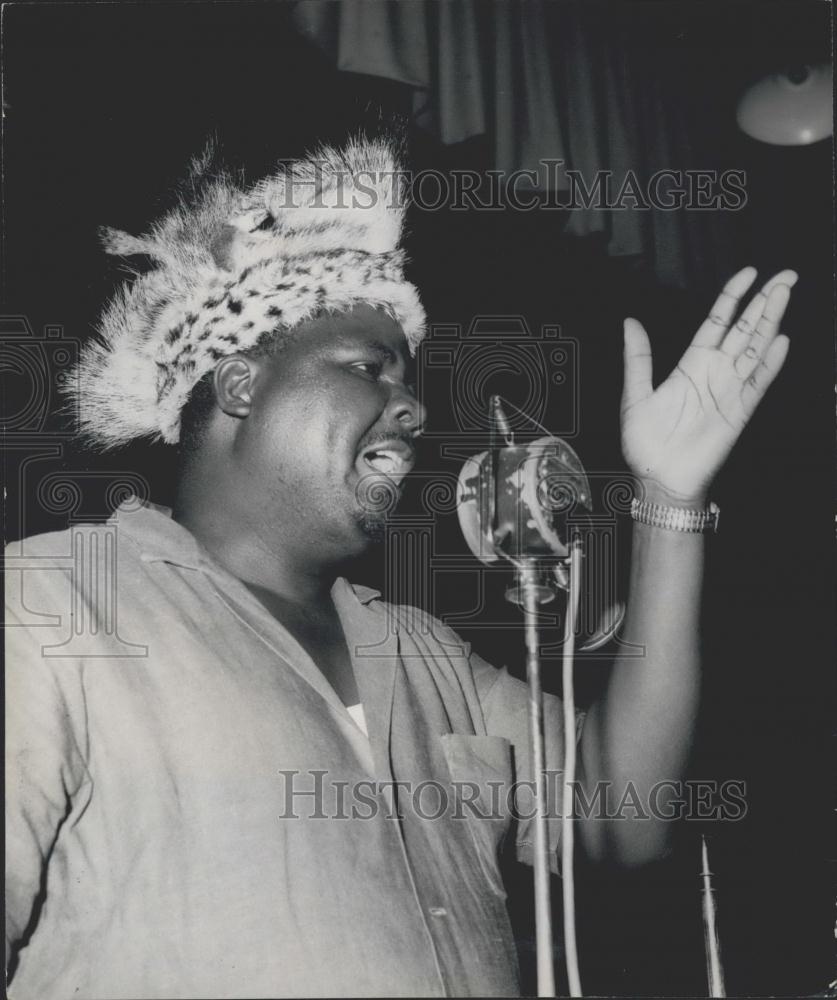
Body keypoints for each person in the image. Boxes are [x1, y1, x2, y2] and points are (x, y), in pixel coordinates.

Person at [5, 136, 795, 999]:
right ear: (240, 385)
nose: (414, 406)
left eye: (408, 379)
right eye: (366, 367)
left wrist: (669, 499)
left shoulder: (423, 653)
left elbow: (619, 819)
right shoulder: (50, 603)